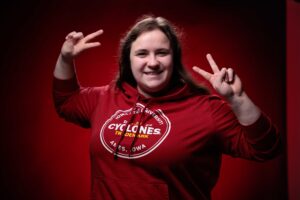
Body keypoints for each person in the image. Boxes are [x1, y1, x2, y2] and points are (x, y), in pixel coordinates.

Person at [53, 16, 281, 200]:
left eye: (162, 53)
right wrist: (65, 59)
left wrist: (238, 99)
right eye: (142, 53)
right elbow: (67, 102)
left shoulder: (206, 109)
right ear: (128, 60)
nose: (152, 62)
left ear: (175, 59)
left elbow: (266, 148)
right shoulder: (104, 98)